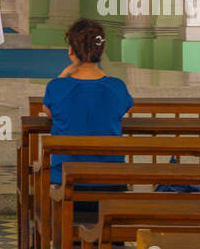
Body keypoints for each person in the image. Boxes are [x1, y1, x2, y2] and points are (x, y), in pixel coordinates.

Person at [41, 19, 133, 208]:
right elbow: (125, 106)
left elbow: (47, 110)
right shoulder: (117, 87)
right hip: (110, 180)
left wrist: (64, 75)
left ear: (71, 51)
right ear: (102, 50)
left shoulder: (57, 87)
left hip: (66, 180)